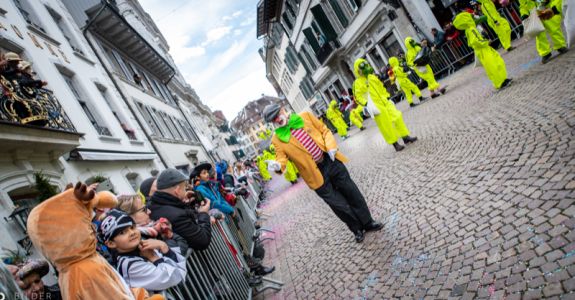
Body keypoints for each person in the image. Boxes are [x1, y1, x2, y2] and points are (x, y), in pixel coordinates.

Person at [262, 103, 383, 243]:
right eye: (273, 119)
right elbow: (281, 159)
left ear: (282, 110)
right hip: (314, 174)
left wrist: (331, 147)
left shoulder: (305, 116)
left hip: (330, 160)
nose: (277, 119)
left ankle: (368, 222)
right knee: (338, 205)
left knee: (352, 192)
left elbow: (324, 130)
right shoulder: (277, 139)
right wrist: (277, 166)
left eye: (277, 115)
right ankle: (356, 229)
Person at [98, 209, 187, 294]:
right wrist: (155, 257)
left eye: (132, 227)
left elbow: (177, 268)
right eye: (122, 232)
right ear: (111, 243)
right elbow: (173, 278)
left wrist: (165, 248)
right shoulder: (129, 265)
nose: (132, 233)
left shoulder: (141, 247)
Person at [352, 58, 418, 152]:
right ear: (358, 71)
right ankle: (395, 144)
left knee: (397, 116)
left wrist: (386, 96)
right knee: (386, 125)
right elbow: (357, 97)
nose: (366, 68)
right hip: (375, 106)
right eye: (362, 68)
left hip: (385, 102)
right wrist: (366, 104)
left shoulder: (372, 77)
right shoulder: (357, 83)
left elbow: (381, 86)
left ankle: (405, 137)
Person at [148, 168, 212, 250]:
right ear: (177, 190)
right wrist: (204, 214)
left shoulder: (152, 205)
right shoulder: (177, 217)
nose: (185, 191)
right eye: (184, 188)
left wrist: (182, 202)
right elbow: (203, 241)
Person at [453, 12, 512, 89]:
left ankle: (502, 79)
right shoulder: (471, 29)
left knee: (496, 62)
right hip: (483, 49)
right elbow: (475, 41)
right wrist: (486, 42)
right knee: (493, 65)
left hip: (483, 49)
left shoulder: (469, 29)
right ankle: (500, 82)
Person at [117, 194, 189, 255]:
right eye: (143, 210)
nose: (149, 211)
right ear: (129, 216)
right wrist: (167, 238)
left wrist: (168, 233)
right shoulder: (137, 239)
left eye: (147, 208)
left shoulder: (153, 228)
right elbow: (177, 254)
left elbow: (183, 244)